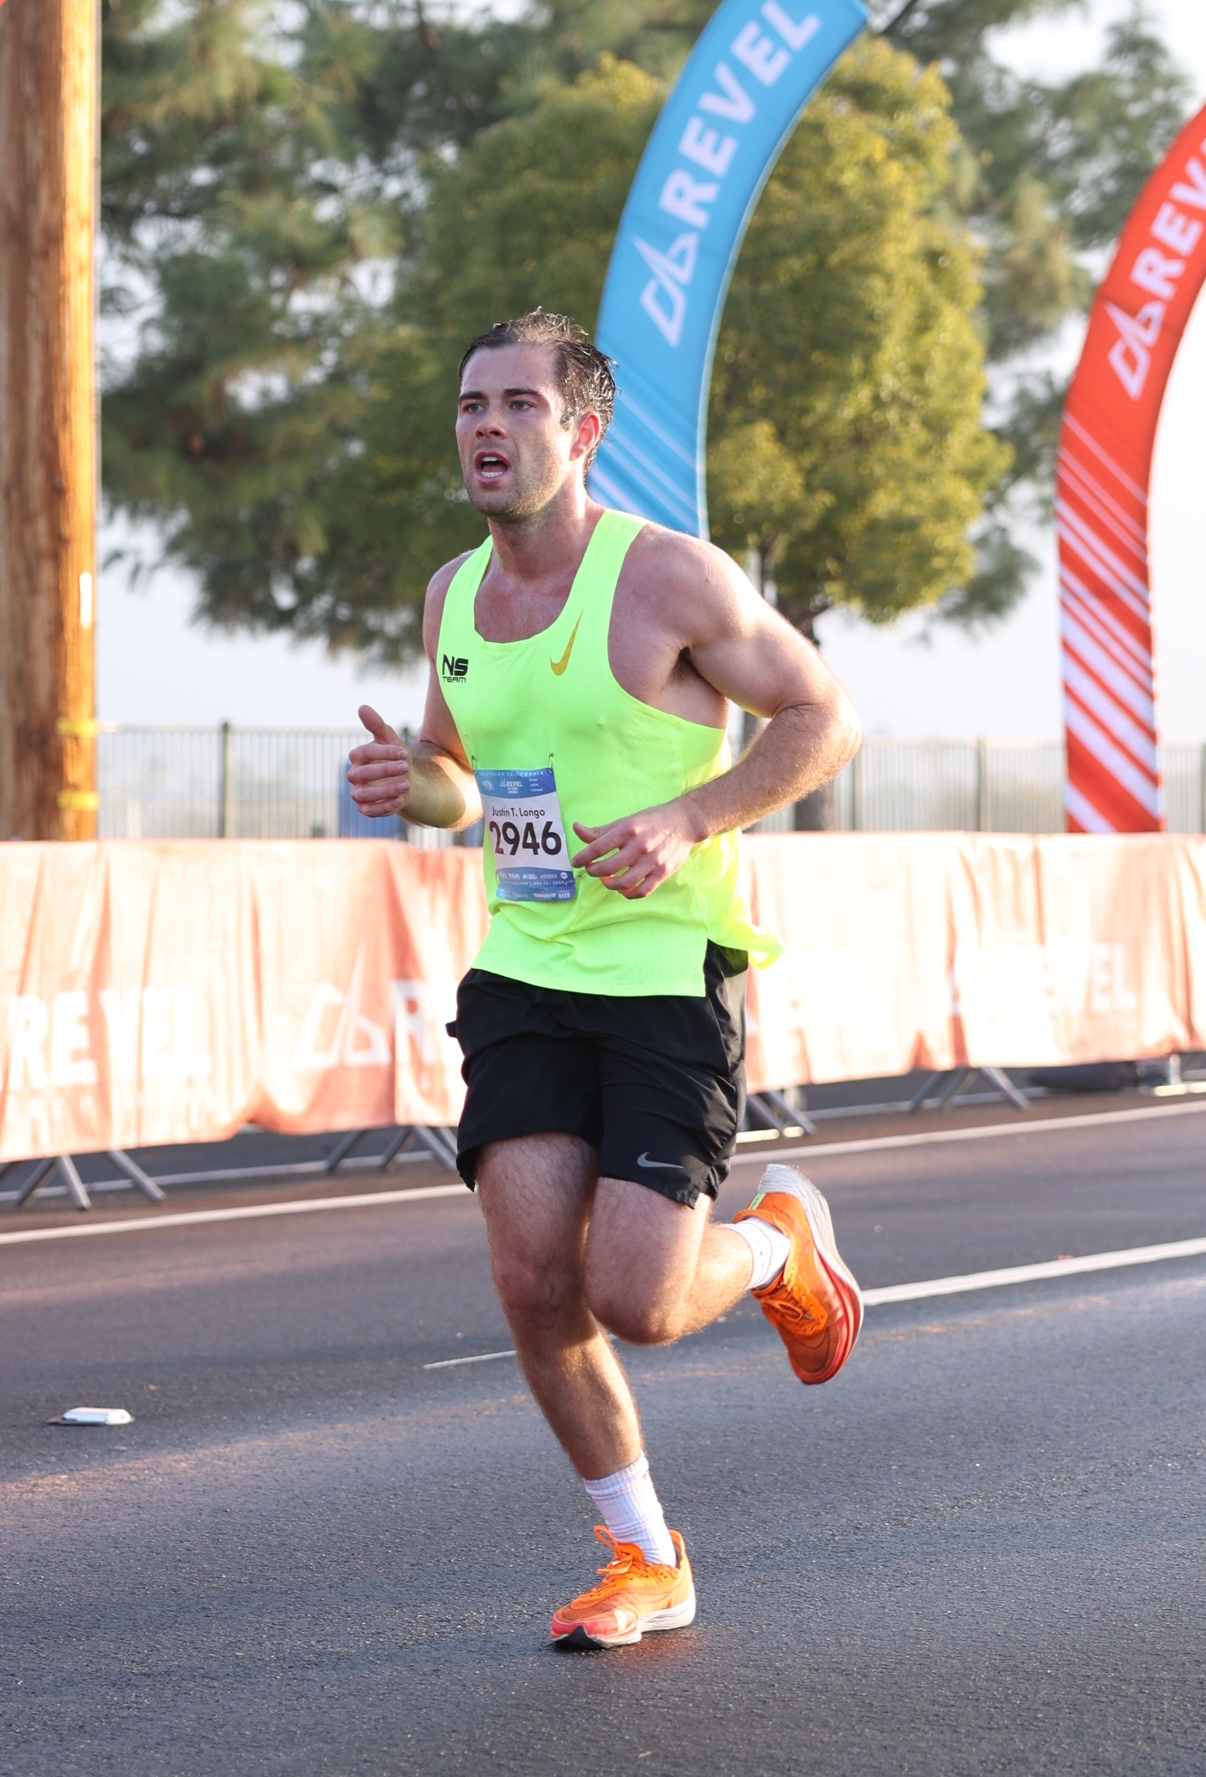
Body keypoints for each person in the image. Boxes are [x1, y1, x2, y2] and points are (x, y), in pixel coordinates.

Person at [346, 308, 865, 1649]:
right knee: (533, 1282)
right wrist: (417, 781)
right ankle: (644, 1555)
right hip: (526, 968)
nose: (486, 427)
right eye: (472, 404)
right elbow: (463, 776)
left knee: (637, 1302)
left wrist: (693, 816)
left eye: (518, 404)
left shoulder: (668, 579)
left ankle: (776, 1244)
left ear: (580, 432)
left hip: (664, 972)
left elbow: (824, 715)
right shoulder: (453, 598)